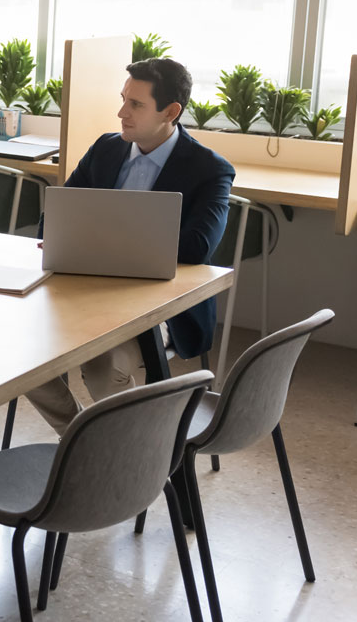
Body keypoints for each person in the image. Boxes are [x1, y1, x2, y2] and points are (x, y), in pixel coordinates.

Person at [25, 57, 234, 434]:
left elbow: (197, 247)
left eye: (136, 104)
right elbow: (53, 219)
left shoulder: (210, 169)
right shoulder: (105, 149)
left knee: (104, 366)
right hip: (85, 296)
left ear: (170, 112)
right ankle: (87, 441)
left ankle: (113, 449)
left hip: (161, 307)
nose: (121, 112)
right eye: (123, 99)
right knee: (21, 354)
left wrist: (97, 238)